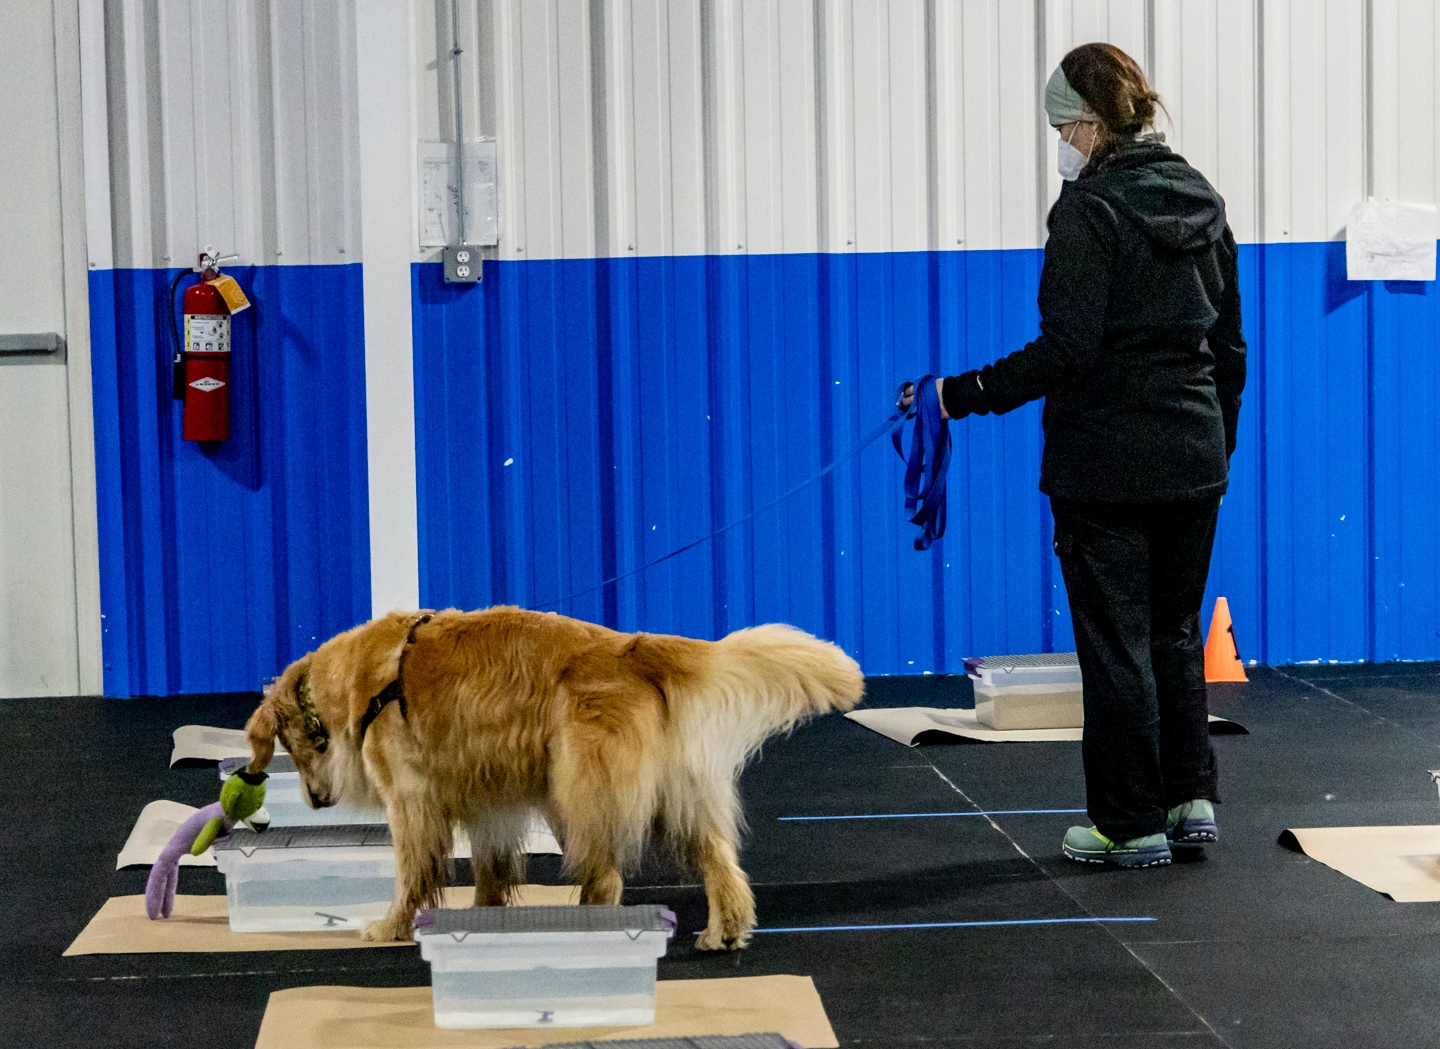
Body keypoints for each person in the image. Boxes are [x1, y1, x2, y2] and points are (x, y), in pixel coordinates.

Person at [933, 43, 1246, 867]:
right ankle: (1188, 799)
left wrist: (960, 392)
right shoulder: (1204, 199)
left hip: (1105, 466)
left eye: (1062, 130)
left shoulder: (1087, 213)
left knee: (1115, 645)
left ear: (1089, 125)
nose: (1061, 146)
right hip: (1194, 457)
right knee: (1175, 632)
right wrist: (1215, 444)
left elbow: (1066, 348)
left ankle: (1128, 823)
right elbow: (1230, 348)